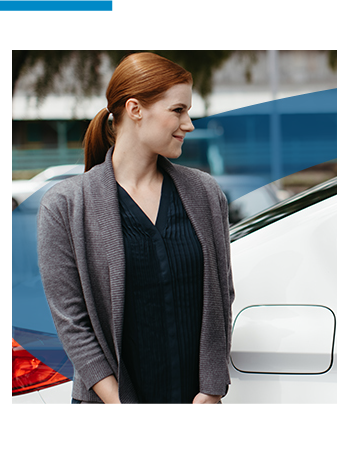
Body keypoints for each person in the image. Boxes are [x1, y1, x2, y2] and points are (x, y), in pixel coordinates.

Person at [37, 52, 234, 404]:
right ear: (135, 109)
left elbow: (222, 294)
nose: (188, 124)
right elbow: (72, 320)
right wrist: (119, 405)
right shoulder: (65, 205)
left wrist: (212, 389)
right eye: (178, 110)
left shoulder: (205, 193)